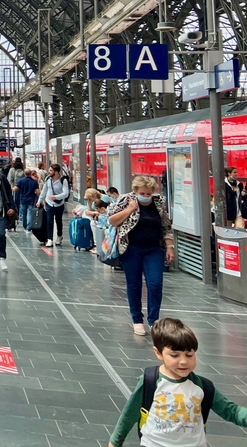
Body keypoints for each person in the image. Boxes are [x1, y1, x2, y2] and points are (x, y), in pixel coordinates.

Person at [109, 318, 247, 446]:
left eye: (189, 355)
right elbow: (130, 413)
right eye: (175, 355)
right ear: (158, 353)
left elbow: (231, 411)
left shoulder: (203, 386)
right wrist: (116, 441)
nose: (183, 361)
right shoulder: (150, 381)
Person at [107, 176, 174, 336]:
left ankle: (154, 321)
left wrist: (170, 246)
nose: (146, 196)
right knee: (134, 284)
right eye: (142, 193)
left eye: (149, 193)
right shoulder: (125, 200)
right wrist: (130, 209)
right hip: (131, 249)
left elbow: (166, 225)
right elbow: (112, 220)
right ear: (135, 191)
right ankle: (137, 319)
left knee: (155, 284)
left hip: (154, 249)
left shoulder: (158, 202)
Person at [40, 163, 71, 247]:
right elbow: (44, 190)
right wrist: (39, 200)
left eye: (51, 170)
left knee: (58, 221)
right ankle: (49, 239)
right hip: (49, 203)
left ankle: (59, 236)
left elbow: (66, 193)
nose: (49, 172)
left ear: (56, 172)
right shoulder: (48, 179)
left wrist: (56, 197)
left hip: (59, 204)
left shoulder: (63, 180)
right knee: (49, 221)